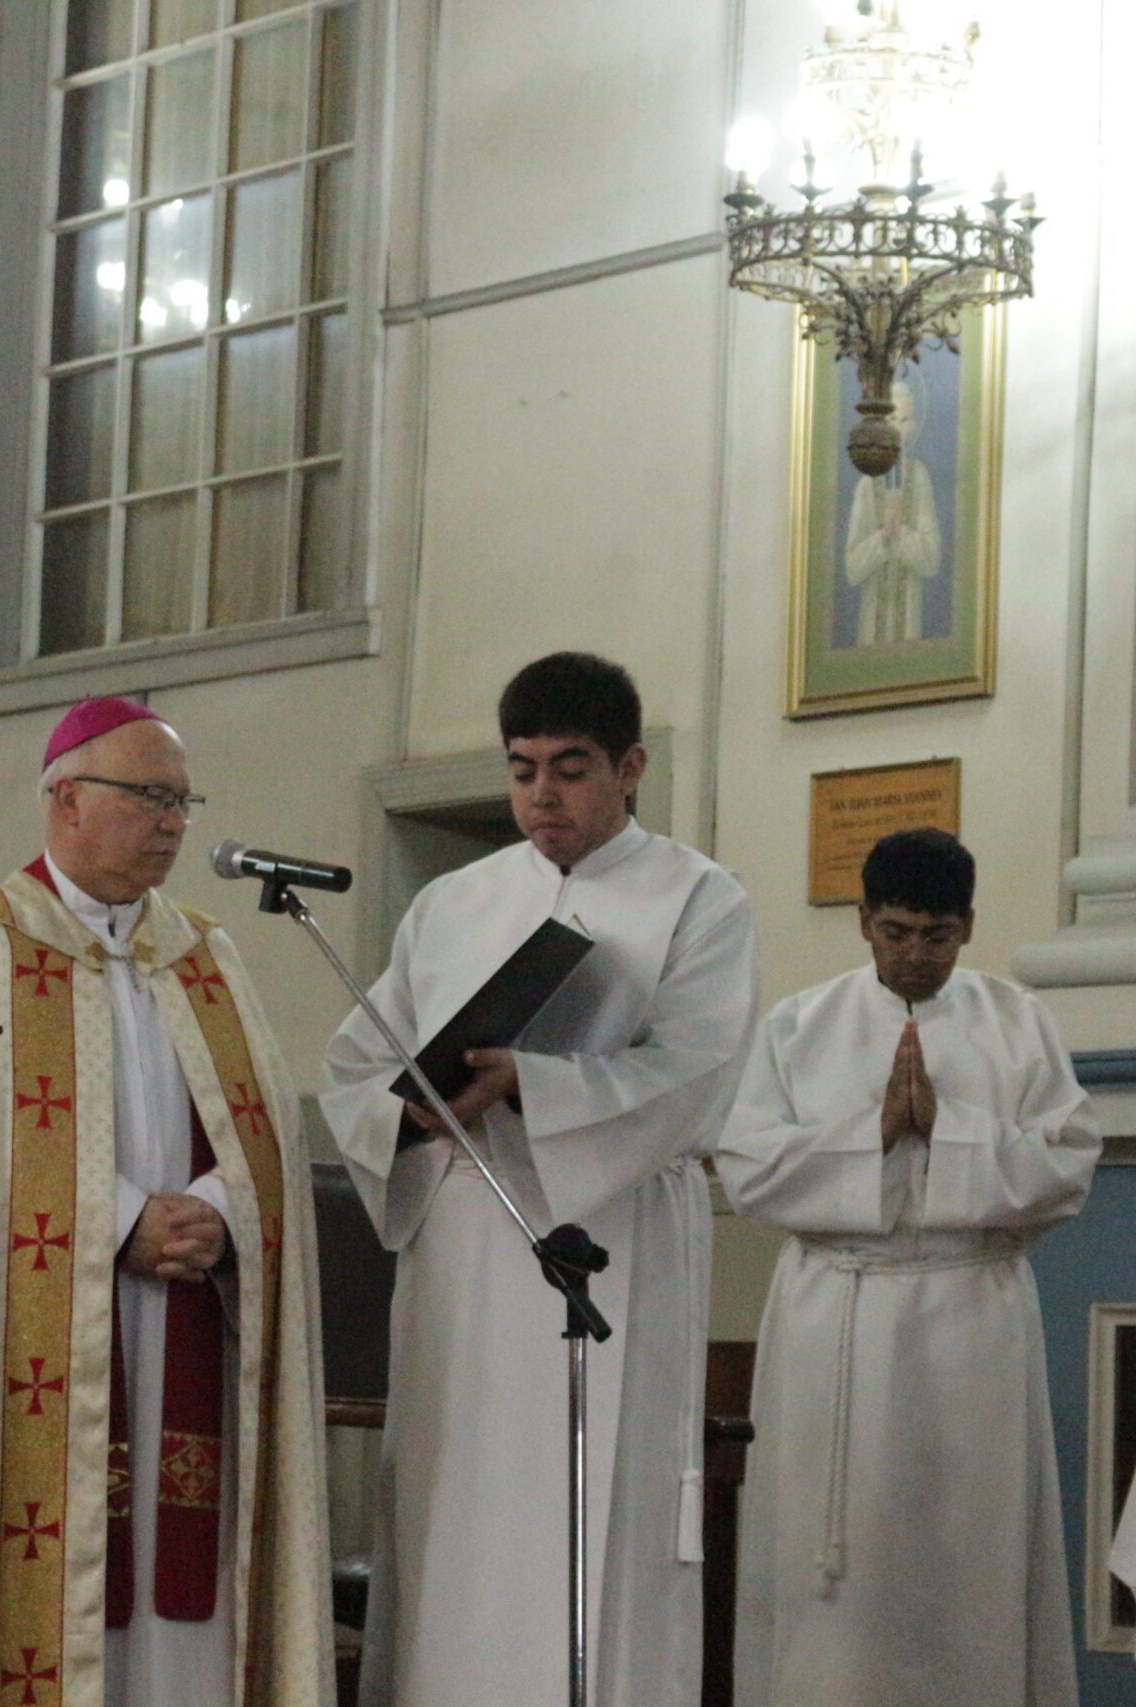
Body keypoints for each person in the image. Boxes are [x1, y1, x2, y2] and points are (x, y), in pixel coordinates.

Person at [0, 697, 333, 1707]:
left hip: (188, 1320)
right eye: (150, 795)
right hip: (31, 1343)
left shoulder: (207, 956)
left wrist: (220, 1213)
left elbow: (267, 1133)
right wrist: (117, 1219)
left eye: (182, 800)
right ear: (65, 801)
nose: (175, 822)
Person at [321, 652, 758, 1707]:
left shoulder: (698, 897)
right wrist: (414, 1104)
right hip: (466, 1243)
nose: (542, 797)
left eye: (570, 769)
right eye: (523, 771)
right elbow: (354, 1065)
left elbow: (698, 1077)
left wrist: (535, 1086)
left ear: (631, 767)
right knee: (454, 1513)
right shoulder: (452, 902)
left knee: (594, 1529)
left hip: (608, 1238)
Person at [717, 828, 1099, 1707]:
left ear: (968, 924)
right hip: (836, 1310)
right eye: (895, 932)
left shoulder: (1018, 1019)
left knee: (970, 1560)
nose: (914, 955)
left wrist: (952, 1125)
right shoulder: (800, 1023)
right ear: (862, 921)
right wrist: (875, 1131)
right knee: (833, 1578)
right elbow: (748, 1171)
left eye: (936, 935)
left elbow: (1068, 1162)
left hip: (972, 1313)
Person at [842, 376, 944, 645]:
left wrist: (900, 533)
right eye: (891, 422)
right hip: (871, 625)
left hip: (909, 621)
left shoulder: (919, 476)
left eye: (904, 421)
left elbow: (932, 560)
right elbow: (852, 569)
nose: (898, 431)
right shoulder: (867, 484)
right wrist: (883, 537)